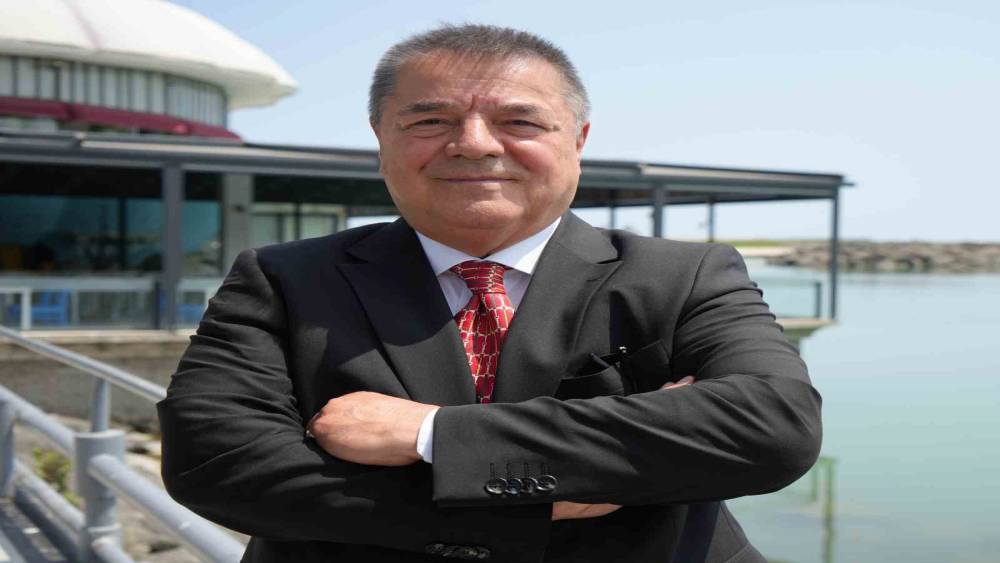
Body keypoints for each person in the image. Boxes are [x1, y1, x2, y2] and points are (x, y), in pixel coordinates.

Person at [157, 24, 822, 563]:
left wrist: (430, 434)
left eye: (519, 122)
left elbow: (771, 427)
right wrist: (535, 500)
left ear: (578, 141)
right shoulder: (283, 279)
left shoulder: (684, 274)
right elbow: (216, 461)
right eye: (430, 120)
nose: (473, 145)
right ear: (381, 139)